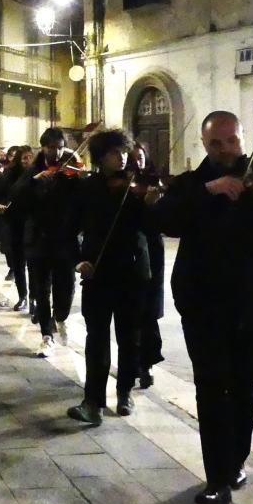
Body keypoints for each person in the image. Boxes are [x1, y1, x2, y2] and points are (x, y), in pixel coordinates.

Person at [147, 111, 253, 504]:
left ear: (242, 138)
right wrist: (210, 190)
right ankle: (216, 477)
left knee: (245, 383)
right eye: (217, 143)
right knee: (211, 386)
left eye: (232, 140)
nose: (226, 149)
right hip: (202, 302)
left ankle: (235, 462)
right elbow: (164, 219)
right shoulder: (193, 184)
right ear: (205, 144)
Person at [67, 129, 150, 425]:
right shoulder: (86, 188)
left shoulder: (137, 188)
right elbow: (70, 229)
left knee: (130, 337)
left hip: (132, 271)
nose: (123, 156)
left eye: (125, 151)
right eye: (116, 152)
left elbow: (153, 228)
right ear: (102, 157)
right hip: (98, 272)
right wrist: (79, 261)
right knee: (97, 338)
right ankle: (93, 401)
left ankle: (124, 391)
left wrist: (151, 202)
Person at [13, 129, 79, 356]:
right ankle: (46, 335)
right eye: (51, 147)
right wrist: (34, 183)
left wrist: (79, 174)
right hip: (38, 240)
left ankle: (60, 317)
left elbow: (83, 196)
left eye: (60, 147)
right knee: (41, 290)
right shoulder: (32, 171)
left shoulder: (70, 168)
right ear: (42, 147)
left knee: (67, 287)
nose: (56, 152)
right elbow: (17, 197)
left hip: (64, 240)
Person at [126, 142, 165, 387]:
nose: (136, 162)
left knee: (149, 311)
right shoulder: (122, 185)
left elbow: (165, 219)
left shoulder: (154, 182)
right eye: (132, 158)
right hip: (130, 251)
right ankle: (134, 363)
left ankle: (146, 364)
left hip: (153, 250)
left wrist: (155, 203)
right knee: (132, 312)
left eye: (140, 157)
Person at [0, 146, 35, 310]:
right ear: (18, 160)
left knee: (33, 265)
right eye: (24, 158)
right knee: (18, 264)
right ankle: (22, 297)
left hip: (33, 224)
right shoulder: (10, 175)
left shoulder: (39, 174)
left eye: (30, 157)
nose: (27, 161)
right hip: (15, 224)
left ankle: (34, 298)